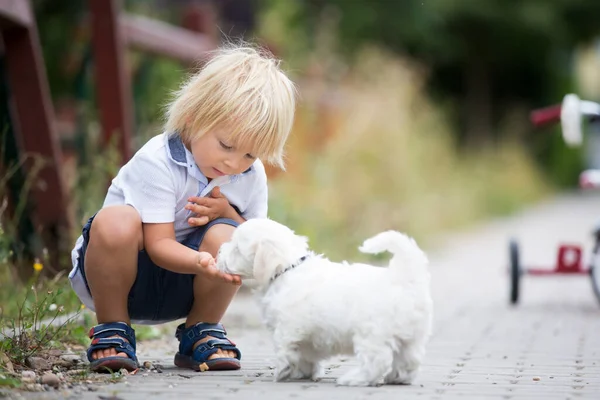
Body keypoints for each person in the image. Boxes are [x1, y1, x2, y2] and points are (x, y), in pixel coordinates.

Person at [68, 44, 296, 372]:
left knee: (231, 237)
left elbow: (254, 237)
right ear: (193, 117)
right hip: (125, 279)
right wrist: (201, 261)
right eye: (226, 146)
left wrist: (229, 215)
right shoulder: (158, 160)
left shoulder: (249, 174)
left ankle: (201, 331)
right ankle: (113, 329)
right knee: (115, 221)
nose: (234, 163)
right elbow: (159, 246)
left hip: (189, 288)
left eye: (249, 155)